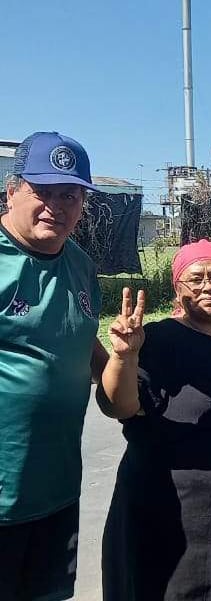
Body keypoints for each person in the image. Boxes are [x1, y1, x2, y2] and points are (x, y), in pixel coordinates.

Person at [97, 240, 211, 601]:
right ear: (178, 288)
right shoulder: (159, 339)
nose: (208, 286)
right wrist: (124, 356)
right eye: (196, 279)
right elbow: (119, 406)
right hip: (166, 508)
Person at [0, 131, 106, 601]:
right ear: (11, 190)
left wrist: (131, 367)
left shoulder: (80, 266)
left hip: (57, 489)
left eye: (70, 194)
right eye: (42, 191)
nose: (56, 206)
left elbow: (85, 347)